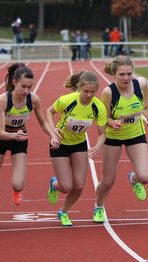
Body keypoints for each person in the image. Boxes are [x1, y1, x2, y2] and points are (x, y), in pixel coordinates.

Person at [0, 63, 58, 228]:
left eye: (30, 87)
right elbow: (1, 133)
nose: (26, 91)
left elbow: (43, 123)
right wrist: (14, 135)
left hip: (20, 140)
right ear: (14, 82)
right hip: (1, 139)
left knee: (18, 184)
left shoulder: (33, 100)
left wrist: (52, 136)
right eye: (23, 86)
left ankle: (16, 191)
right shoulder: (3, 100)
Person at [93, 56, 148, 223]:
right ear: (114, 75)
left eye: (129, 74)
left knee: (145, 177)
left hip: (135, 134)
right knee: (107, 181)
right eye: (122, 74)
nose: (126, 78)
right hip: (113, 137)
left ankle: (133, 179)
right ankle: (98, 206)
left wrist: (145, 109)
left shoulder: (141, 84)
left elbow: (144, 97)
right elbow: (102, 119)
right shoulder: (108, 92)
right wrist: (112, 122)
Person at [46, 72, 107, 226]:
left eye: (93, 92)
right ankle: (55, 184)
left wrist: (97, 147)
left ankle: (63, 211)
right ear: (79, 88)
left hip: (79, 145)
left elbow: (102, 134)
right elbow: (49, 112)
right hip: (59, 143)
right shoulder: (67, 100)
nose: (89, 94)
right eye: (86, 91)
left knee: (79, 185)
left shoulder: (98, 107)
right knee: (66, 186)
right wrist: (53, 131)